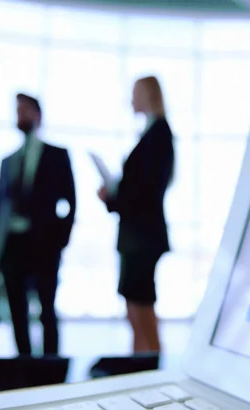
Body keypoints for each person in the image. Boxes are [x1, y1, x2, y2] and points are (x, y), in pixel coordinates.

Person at [0, 93, 76, 356]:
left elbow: (70, 202)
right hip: (13, 245)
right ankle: (23, 364)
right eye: (17, 110)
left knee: (47, 308)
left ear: (38, 115)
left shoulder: (57, 155)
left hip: (44, 245)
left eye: (25, 110)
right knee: (17, 309)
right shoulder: (8, 161)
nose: (20, 115)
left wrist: (59, 240)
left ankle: (51, 367)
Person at [98, 76, 174, 353]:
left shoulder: (160, 134)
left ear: (149, 95)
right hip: (136, 235)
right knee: (134, 307)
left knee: (141, 307)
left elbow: (149, 189)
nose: (131, 100)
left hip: (143, 236)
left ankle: (149, 366)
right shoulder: (151, 134)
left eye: (135, 93)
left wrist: (116, 195)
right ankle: (140, 364)